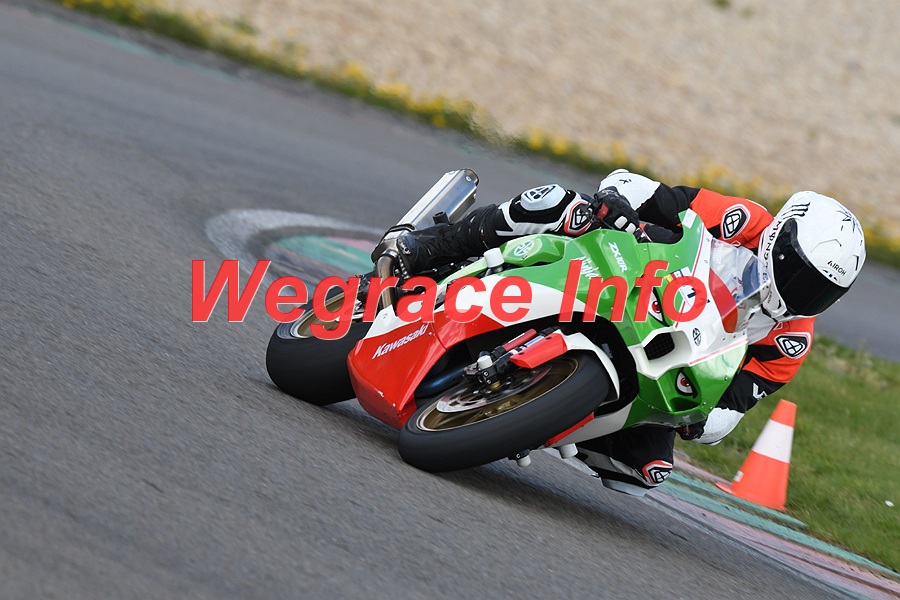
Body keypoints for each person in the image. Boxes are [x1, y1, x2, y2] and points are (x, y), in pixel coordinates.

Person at [381, 169, 867, 496]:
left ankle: (530, 415)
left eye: (820, 292)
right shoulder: (744, 219)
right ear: (781, 237)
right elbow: (651, 195)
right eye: (800, 273)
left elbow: (732, 409)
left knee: (646, 470)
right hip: (632, 278)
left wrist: (699, 419)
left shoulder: (790, 341)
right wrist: (617, 204)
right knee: (560, 204)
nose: (804, 294)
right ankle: (428, 247)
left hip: (667, 355)